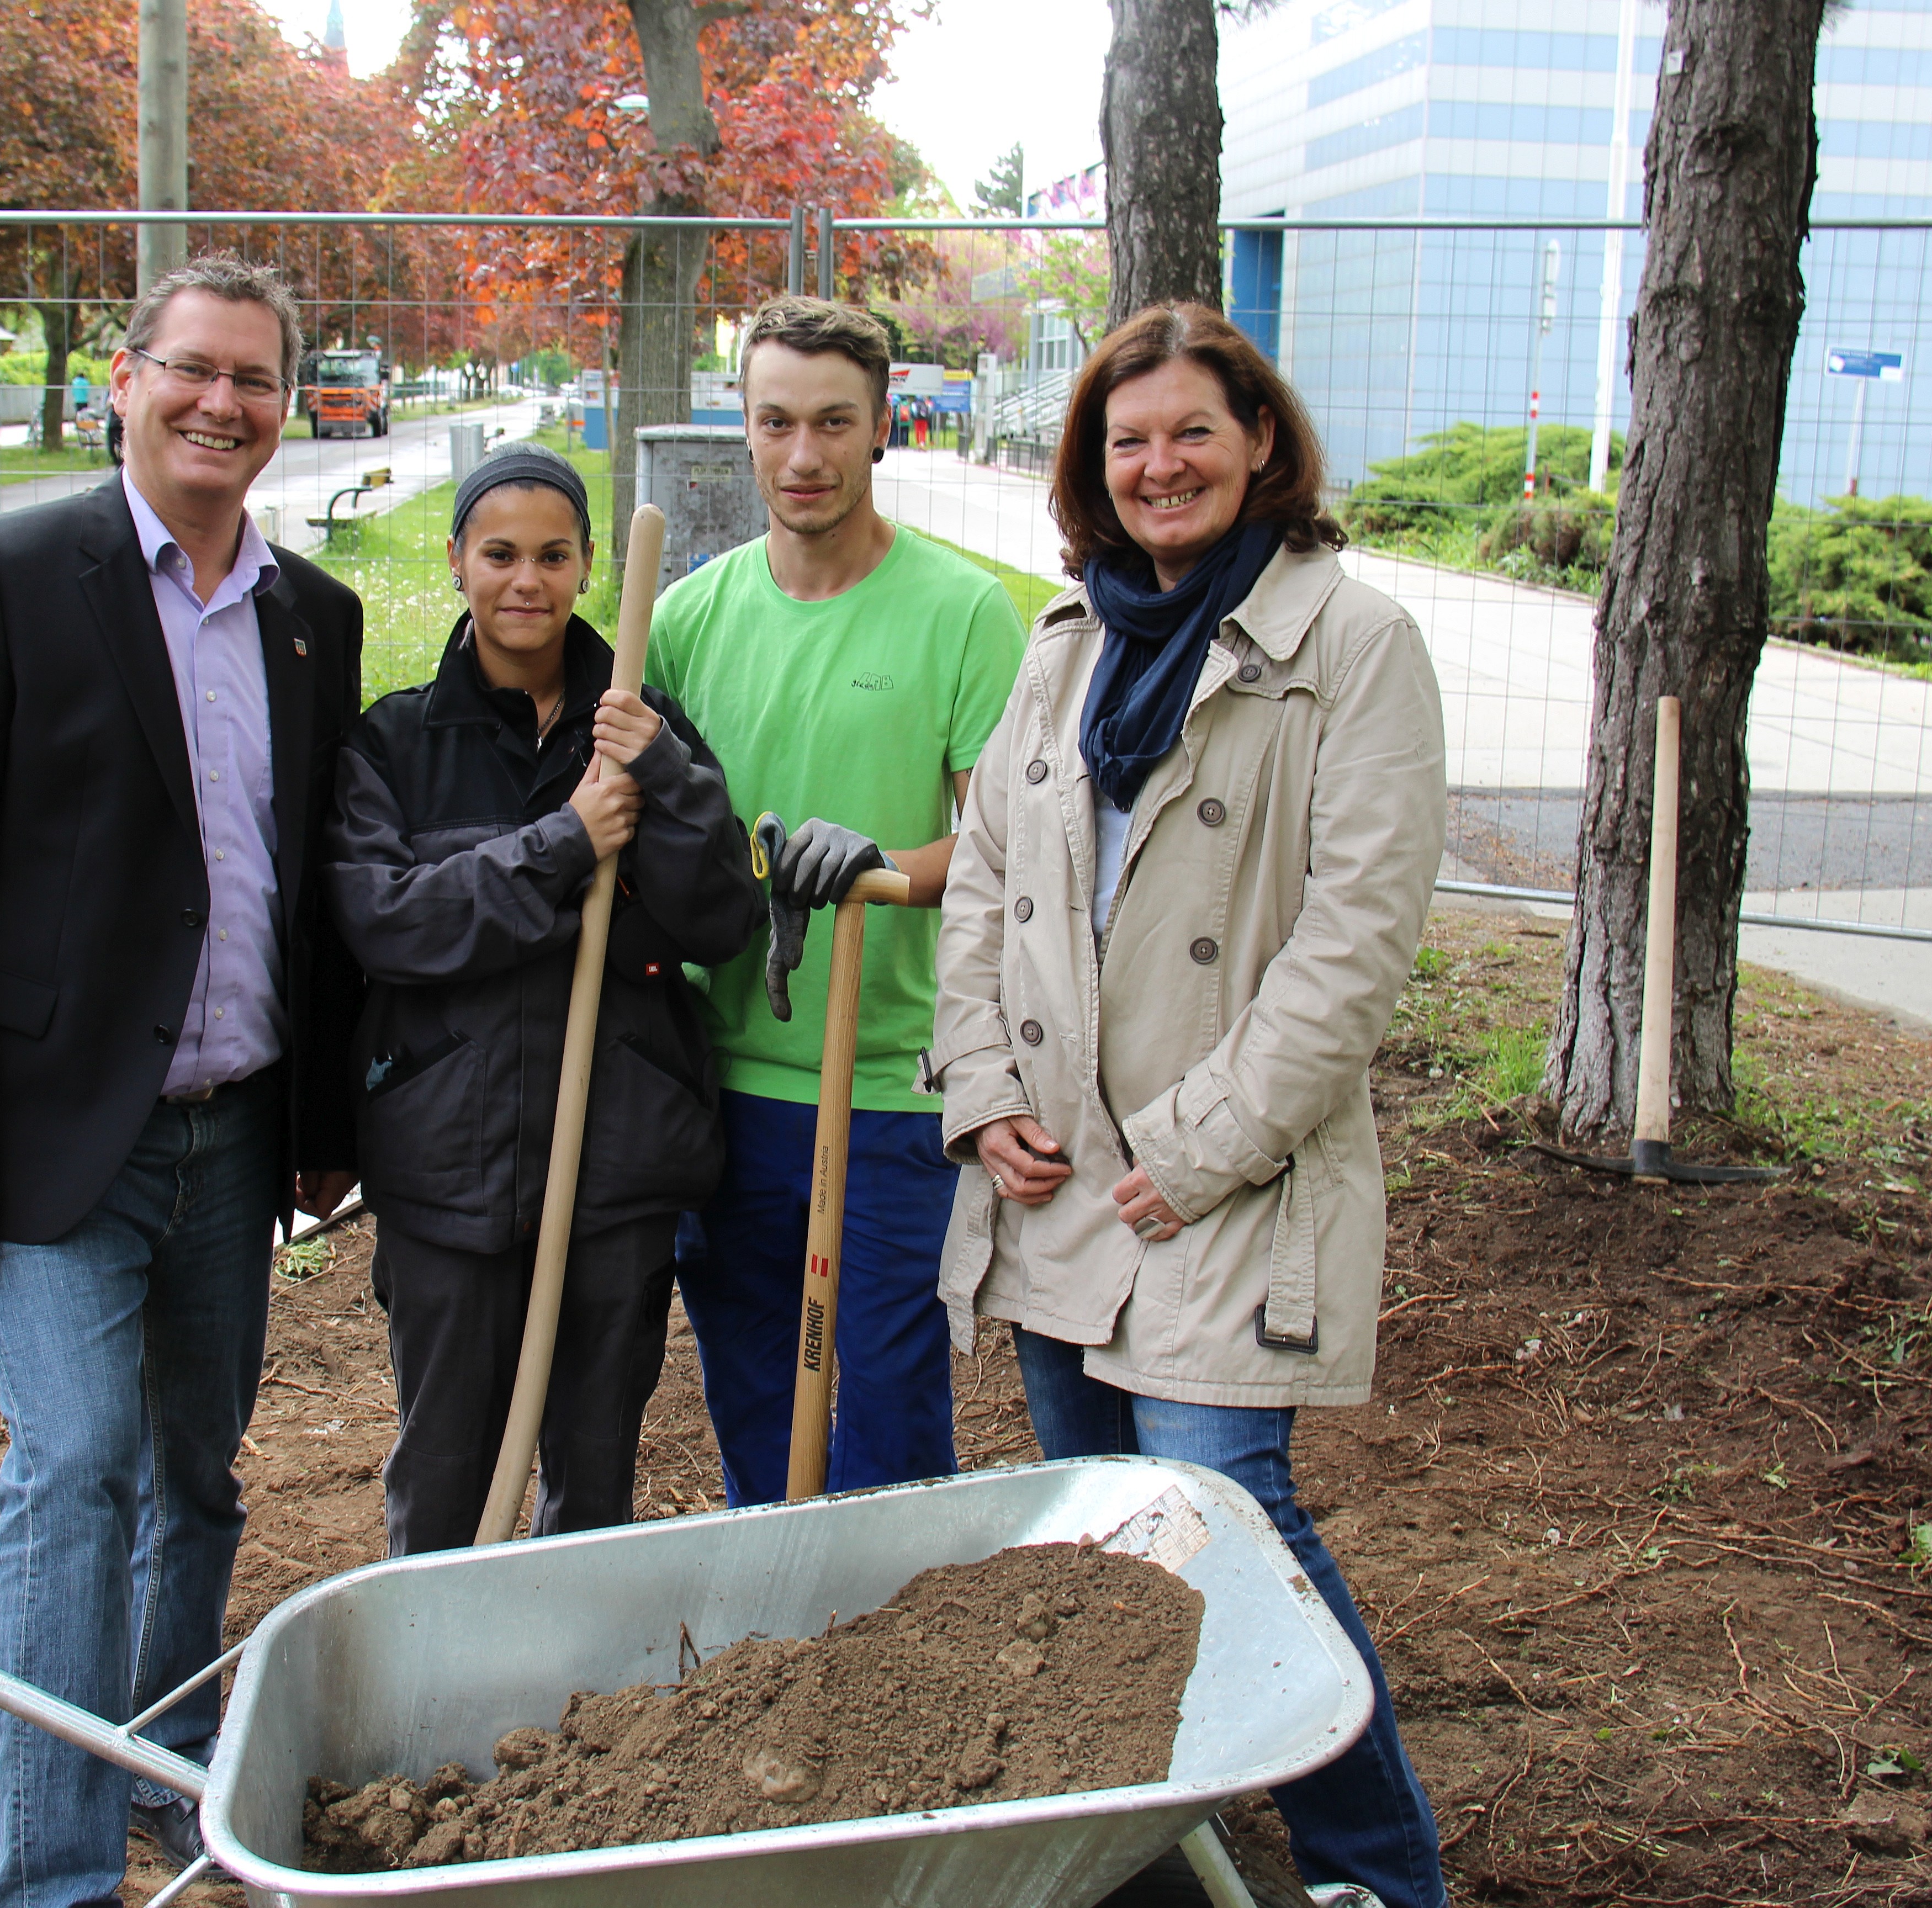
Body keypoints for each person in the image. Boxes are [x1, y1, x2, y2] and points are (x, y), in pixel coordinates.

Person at [0, 255, 364, 1904]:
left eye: (256, 380)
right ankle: (54, 1875)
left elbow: (314, 885)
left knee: (197, 1475)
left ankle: (160, 1764)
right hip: (55, 1139)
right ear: (124, 378)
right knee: (77, 1470)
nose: (223, 403)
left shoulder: (314, 618)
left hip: (234, 1134)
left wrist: (320, 1124)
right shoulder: (5, 572)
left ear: (283, 408)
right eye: (193, 370)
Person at [931, 301, 1449, 1908]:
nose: (1159, 466)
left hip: (1223, 1178)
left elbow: (1354, 947)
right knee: (1105, 1544)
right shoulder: (1066, 647)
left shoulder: (1351, 648)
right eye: (1126, 439)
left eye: (1191, 435)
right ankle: (1154, 1863)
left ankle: (1380, 1875)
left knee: (1238, 1532)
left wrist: (1199, 1147)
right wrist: (982, 1094)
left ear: (1262, 446)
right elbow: (989, 887)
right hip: (1059, 1175)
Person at [326, 443, 758, 1555]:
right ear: (461, 561)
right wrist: (559, 848)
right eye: (501, 554)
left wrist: (664, 780)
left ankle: (579, 1714)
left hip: (617, 1158)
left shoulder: (642, 726)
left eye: (554, 556)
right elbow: (388, 921)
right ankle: (437, 1691)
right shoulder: (398, 738)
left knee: (595, 1459)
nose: (528, 581)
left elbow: (720, 920)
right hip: (448, 1162)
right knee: (447, 1462)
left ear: (588, 568)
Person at [643, 296, 1024, 1505]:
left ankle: (893, 1651)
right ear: (743, 431)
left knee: (891, 1386)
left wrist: (887, 872)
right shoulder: (689, 618)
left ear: (879, 431)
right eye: (775, 423)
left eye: (833, 423)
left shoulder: (960, 612)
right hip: (726, 1075)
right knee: (752, 1378)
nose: (802, 456)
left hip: (890, 1078)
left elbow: (1012, 841)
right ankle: (778, 1631)